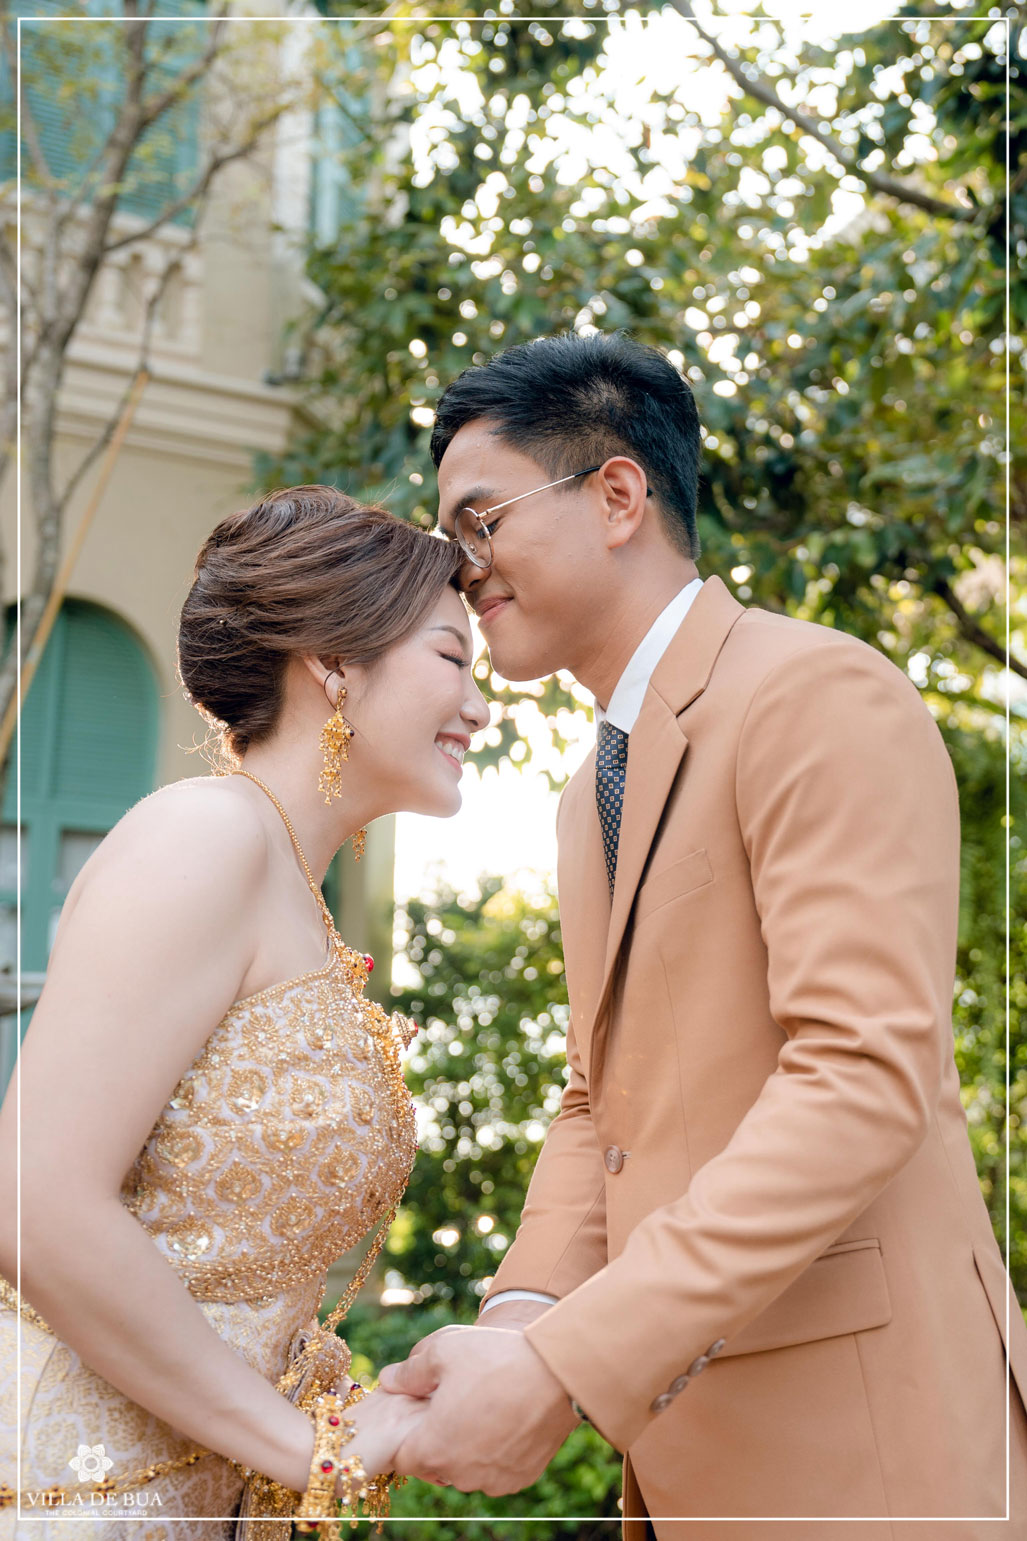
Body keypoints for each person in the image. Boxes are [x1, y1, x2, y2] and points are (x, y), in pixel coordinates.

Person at [379, 333, 1027, 1537]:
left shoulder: (813, 692)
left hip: (871, 1456)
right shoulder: (588, 793)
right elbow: (601, 1101)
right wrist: (520, 1318)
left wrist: (569, 1363)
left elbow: (860, 1079)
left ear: (617, 495)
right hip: (699, 1470)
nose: (460, 568)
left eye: (480, 521)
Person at [0, 485, 488, 1538]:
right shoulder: (204, 835)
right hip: (68, 1496)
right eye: (453, 658)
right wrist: (307, 1449)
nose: (478, 706)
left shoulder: (292, 890)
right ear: (335, 662)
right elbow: (35, 1197)